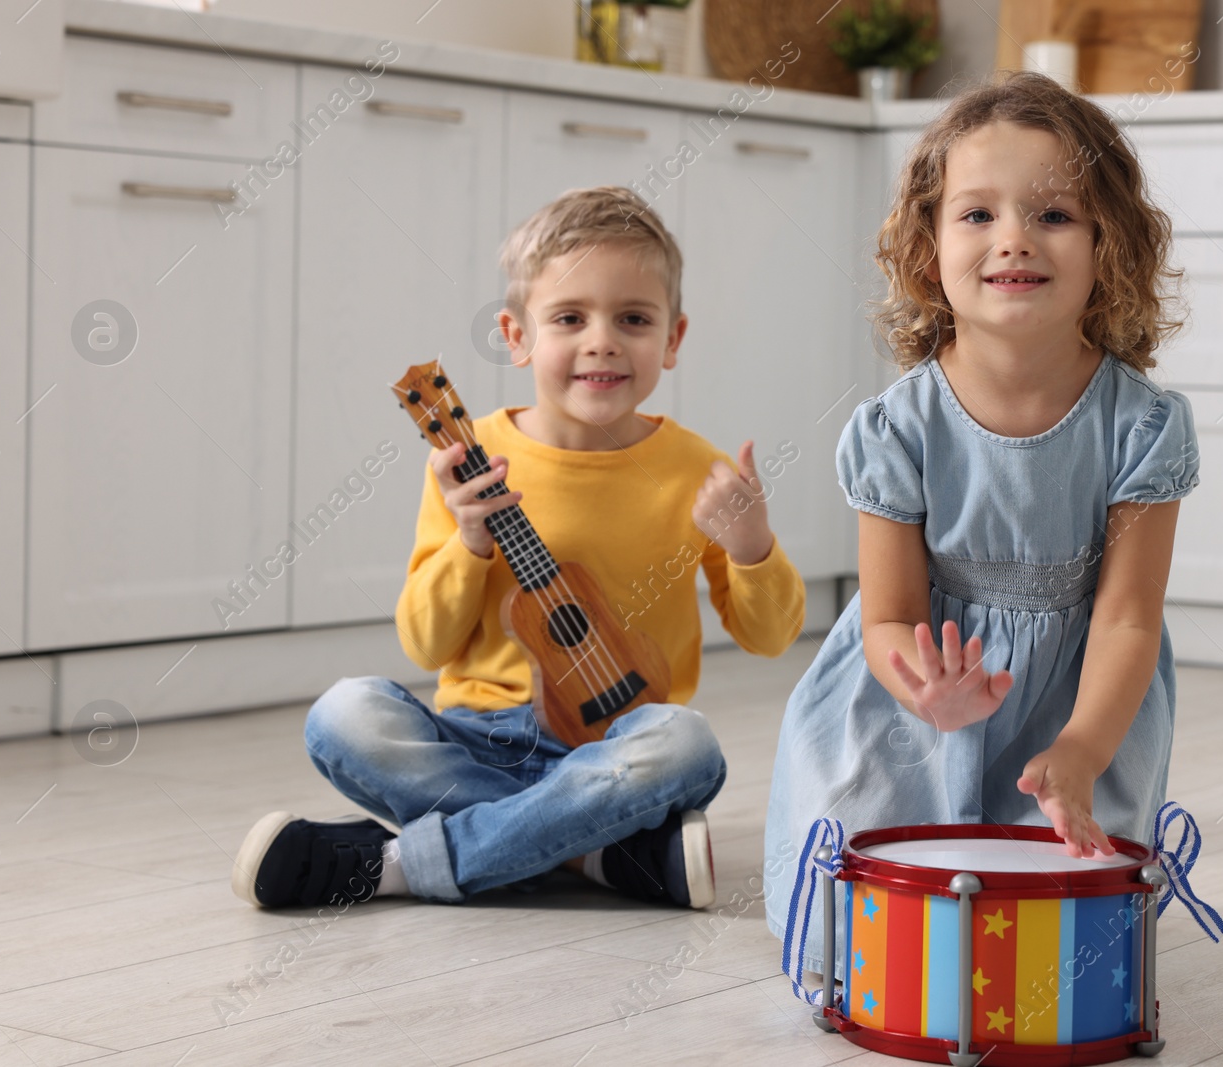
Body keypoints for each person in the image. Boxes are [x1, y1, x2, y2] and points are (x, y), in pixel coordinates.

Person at [231, 186, 806, 911]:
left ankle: (398, 865)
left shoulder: (694, 468)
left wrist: (753, 547)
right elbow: (424, 642)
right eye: (569, 318)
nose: (601, 340)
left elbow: (771, 635)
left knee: (686, 743)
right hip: (476, 737)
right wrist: (468, 541)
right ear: (515, 334)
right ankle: (593, 849)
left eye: (633, 318)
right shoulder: (471, 460)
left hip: (613, 745)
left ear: (673, 338)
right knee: (344, 714)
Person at [764, 70, 1199, 967]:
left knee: (1053, 935)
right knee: (864, 923)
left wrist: (1080, 748)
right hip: (917, 690)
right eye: (977, 215)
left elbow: (1127, 616)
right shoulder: (895, 427)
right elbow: (886, 615)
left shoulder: (1144, 425)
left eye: (1052, 215)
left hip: (1080, 697)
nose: (1013, 240)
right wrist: (924, 685)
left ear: (1107, 244)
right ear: (928, 253)